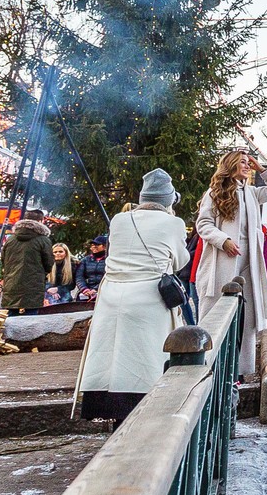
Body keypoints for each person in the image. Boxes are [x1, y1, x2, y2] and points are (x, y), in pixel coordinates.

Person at [76, 169, 191, 423]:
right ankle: (144, 413)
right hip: (149, 295)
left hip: (112, 294)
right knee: (145, 359)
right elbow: (181, 260)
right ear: (169, 200)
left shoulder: (118, 219)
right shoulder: (174, 223)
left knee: (112, 357)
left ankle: (109, 410)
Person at [195, 149, 267, 376]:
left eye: (249, 163)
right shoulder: (214, 193)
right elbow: (203, 224)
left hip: (250, 261)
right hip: (224, 258)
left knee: (247, 317)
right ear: (231, 165)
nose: (247, 166)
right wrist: (223, 240)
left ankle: (238, 371)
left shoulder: (252, 193)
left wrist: (263, 169)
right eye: (243, 163)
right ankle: (212, 367)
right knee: (217, 311)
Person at [0, 219, 56, 314]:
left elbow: (3, 259)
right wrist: (43, 273)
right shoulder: (43, 240)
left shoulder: (10, 240)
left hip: (12, 281)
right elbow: (48, 262)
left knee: (11, 313)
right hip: (34, 282)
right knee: (31, 314)